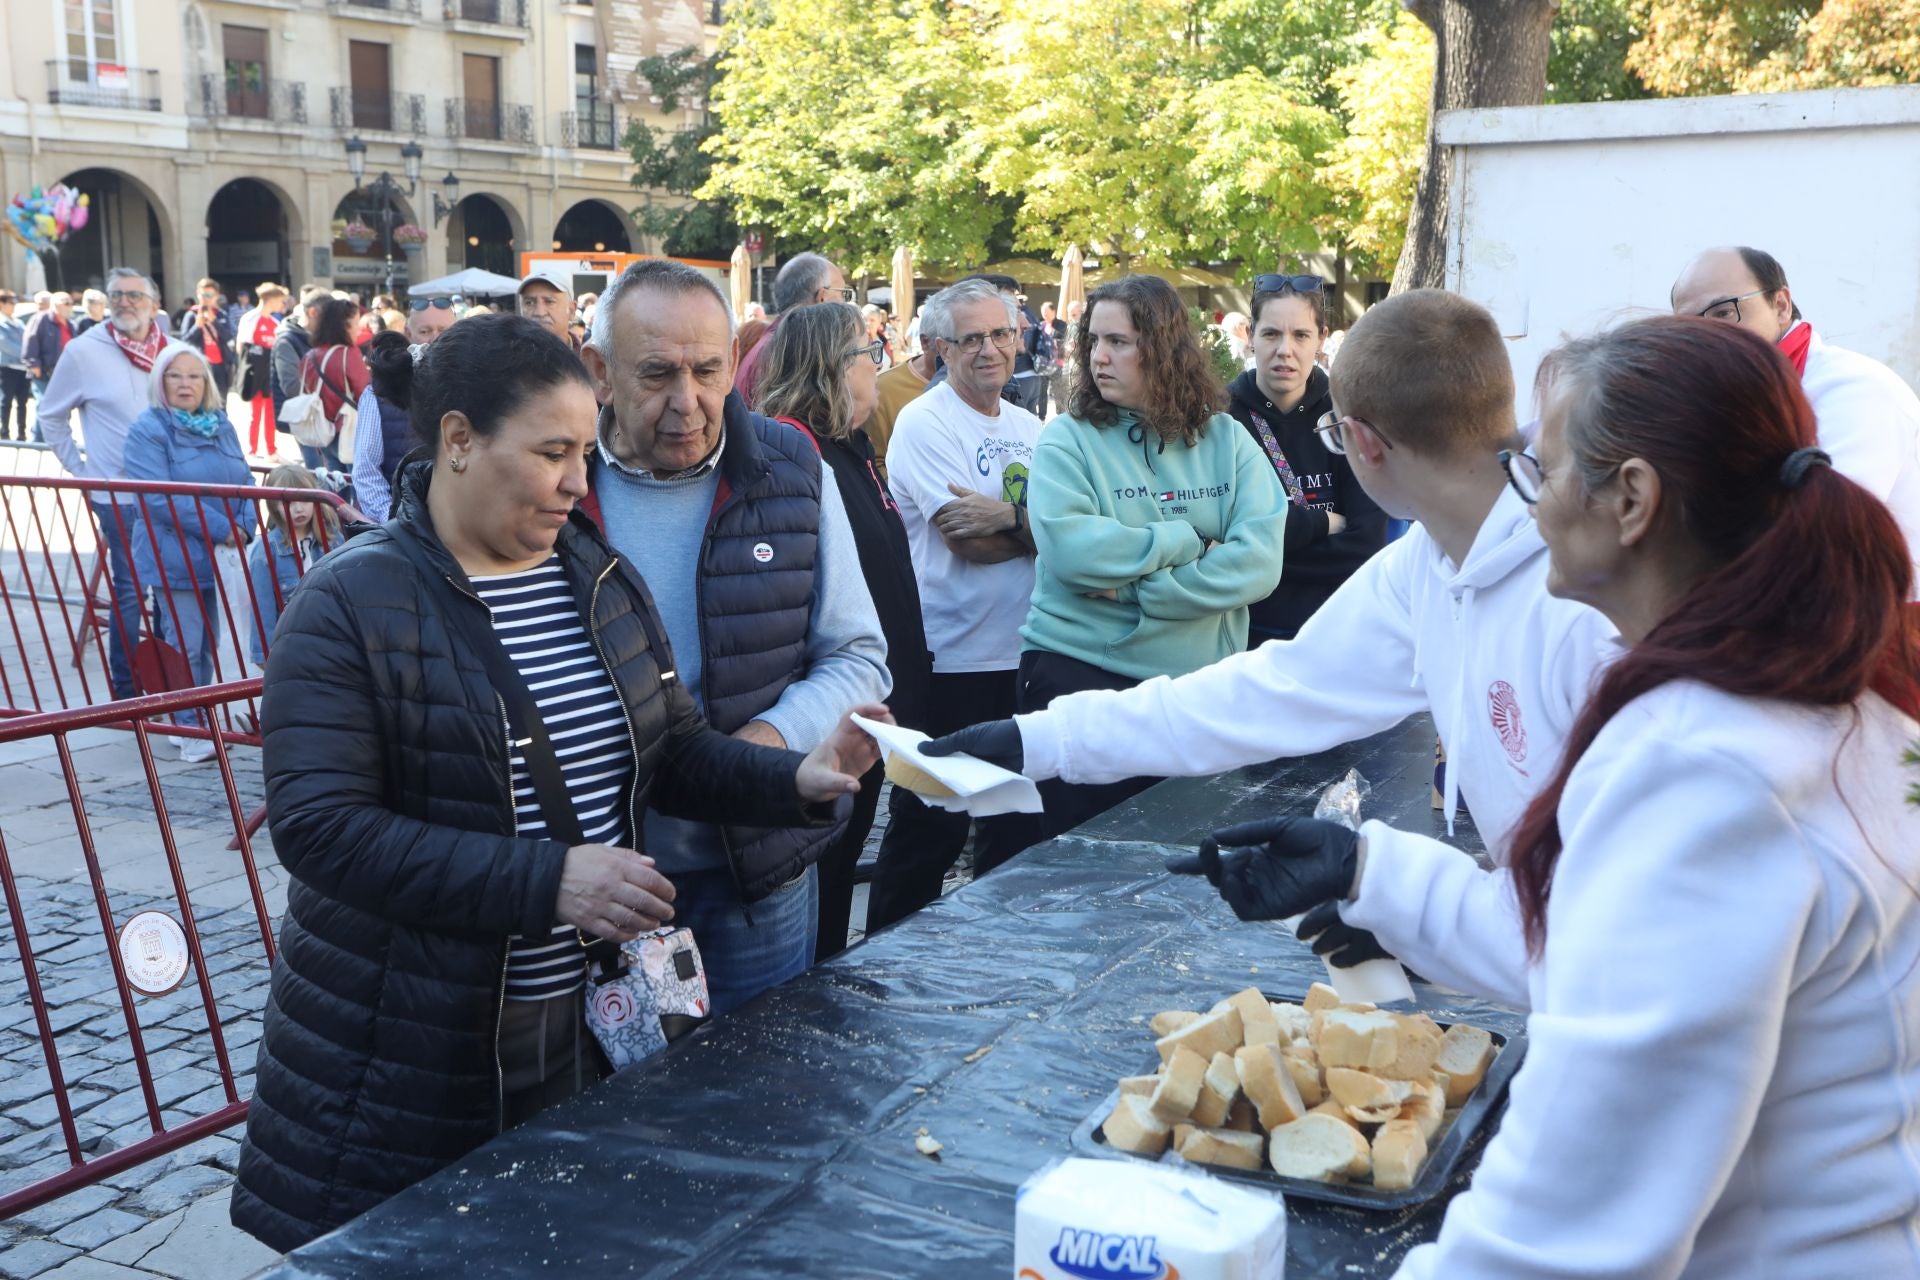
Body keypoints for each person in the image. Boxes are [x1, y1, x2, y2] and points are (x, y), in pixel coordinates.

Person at [1177, 315, 1920, 1277]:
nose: (1527, 501)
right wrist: (1373, 872)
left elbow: (1562, 1237)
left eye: (1543, 467)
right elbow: (1601, 949)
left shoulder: (1704, 773)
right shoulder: (1800, 698)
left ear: (1633, 501)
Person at [230, 311, 886, 1253]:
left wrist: (799, 778)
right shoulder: (348, 602)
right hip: (420, 1047)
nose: (581, 482)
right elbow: (322, 831)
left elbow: (675, 750)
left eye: (585, 450)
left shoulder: (591, 570)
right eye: (552, 453)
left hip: (587, 1025)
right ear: (458, 440)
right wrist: (551, 882)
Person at [927, 291, 1618, 978]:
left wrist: (1395, 893)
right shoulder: (1424, 565)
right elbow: (1276, 688)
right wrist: (1040, 738)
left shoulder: (1583, 608)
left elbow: (1617, 926)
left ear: (1362, 445)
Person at [578, 259, 890, 1012]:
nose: (687, 402)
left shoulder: (789, 465)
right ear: (600, 372)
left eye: (709, 371)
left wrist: (766, 746)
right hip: (599, 884)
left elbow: (858, 655)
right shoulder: (555, 471)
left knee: (764, 1093)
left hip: (756, 863)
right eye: (656, 374)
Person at [997, 273, 1287, 853]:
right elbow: (1075, 555)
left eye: (1119, 342)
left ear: (1163, 348)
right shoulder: (1065, 441)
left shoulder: (1227, 438)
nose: (1099, 357)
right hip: (1084, 682)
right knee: (1082, 877)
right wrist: (1185, 539)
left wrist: (1137, 593)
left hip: (1198, 694)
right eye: (1094, 341)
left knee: (1187, 871)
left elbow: (1258, 564)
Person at [757, 301, 934, 961]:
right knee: (820, 883)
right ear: (835, 366)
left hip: (875, 709)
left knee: (838, 877)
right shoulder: (793, 453)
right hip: (831, 716)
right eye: (869, 354)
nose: (878, 367)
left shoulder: (851, 449)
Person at [866, 278, 1042, 930]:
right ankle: (879, 967)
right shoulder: (924, 421)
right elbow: (970, 543)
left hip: (1023, 653)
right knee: (927, 832)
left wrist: (1011, 520)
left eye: (1001, 334)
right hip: (949, 661)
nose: (990, 349)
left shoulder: (1032, 427)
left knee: (1009, 828)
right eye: (972, 339)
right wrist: (1041, 528)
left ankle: (990, 963)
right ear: (942, 349)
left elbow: (1061, 531)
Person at [1671, 245, 1920, 584]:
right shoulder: (1737, 400)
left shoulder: (1852, 389)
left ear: (1781, 305)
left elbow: (1824, 539)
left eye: (1724, 312)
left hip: (1883, 619)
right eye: (1690, 326)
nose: (1709, 337)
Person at [38, 269, 187, 701]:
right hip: (117, 496)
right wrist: (81, 470)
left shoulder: (173, 352)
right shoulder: (84, 350)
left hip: (173, 493)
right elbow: (50, 415)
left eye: (135, 296)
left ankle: (166, 685)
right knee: (130, 590)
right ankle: (129, 690)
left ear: (154, 303)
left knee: (169, 588)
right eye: (117, 295)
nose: (125, 302)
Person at [1226, 274, 1388, 641]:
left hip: (1336, 630)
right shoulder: (1220, 419)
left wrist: (1261, 553)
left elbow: (1366, 545)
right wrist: (1322, 525)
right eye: (1271, 334)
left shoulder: (1351, 416)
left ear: (1320, 338)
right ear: (1250, 337)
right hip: (1245, 633)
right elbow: (1221, 541)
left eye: (1300, 335)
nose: (1285, 350)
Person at [123, 345, 253, 759]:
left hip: (224, 555)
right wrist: (223, 528)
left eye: (194, 376)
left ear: (207, 383)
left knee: (217, 642)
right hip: (175, 554)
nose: (185, 384)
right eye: (175, 376)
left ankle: (198, 715)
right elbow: (157, 498)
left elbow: (246, 480)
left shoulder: (223, 424)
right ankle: (189, 726)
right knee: (187, 642)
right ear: (160, 383)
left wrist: (246, 525)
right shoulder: (149, 429)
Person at [353, 302, 455, 522]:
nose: (434, 339)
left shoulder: (471, 387)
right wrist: (393, 519)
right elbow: (366, 471)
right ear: (408, 334)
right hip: (405, 531)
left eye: (443, 331)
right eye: (425, 331)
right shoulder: (378, 394)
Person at [247, 462, 339, 669]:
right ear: (274, 506)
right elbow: (262, 620)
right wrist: (273, 663)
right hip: (295, 655)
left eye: (305, 498)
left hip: (337, 647)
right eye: (288, 501)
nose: (299, 507)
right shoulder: (265, 553)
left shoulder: (332, 539)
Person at [734, 252, 851, 407]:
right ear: (823, 297)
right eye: (844, 294)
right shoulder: (791, 354)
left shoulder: (776, 343)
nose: (846, 304)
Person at [294, 297, 369, 475]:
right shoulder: (348, 354)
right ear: (343, 326)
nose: (358, 329)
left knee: (335, 487)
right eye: (355, 323)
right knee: (357, 486)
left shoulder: (310, 356)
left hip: (321, 432)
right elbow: (364, 394)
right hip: (348, 431)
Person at [235, 283, 287, 456]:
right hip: (254, 373)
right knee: (255, 413)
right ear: (269, 300)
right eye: (280, 300)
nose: (282, 304)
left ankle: (272, 450)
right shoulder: (249, 319)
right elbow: (241, 348)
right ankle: (252, 450)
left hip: (270, 374)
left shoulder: (275, 322)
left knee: (271, 413)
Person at [269, 284, 326, 431]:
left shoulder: (320, 338)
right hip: (303, 420)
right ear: (313, 313)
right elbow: (292, 387)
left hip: (320, 419)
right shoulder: (286, 341)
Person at [23, 291, 75, 436]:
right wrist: (33, 364)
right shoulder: (41, 319)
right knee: (44, 406)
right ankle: (39, 439)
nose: (70, 306)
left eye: (71, 303)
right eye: (67, 303)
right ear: (56, 304)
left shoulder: (69, 324)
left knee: (64, 407)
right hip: (45, 372)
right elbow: (30, 341)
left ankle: (60, 438)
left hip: (64, 373)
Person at [178, 278, 236, 400]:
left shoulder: (221, 314)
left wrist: (214, 322)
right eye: (202, 295)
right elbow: (184, 342)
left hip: (220, 365)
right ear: (198, 294)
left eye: (209, 295)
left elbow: (229, 338)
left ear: (216, 296)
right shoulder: (191, 315)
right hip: (199, 365)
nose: (206, 298)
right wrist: (197, 326)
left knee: (221, 402)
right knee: (200, 401)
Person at [518, 267, 576, 346]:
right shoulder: (504, 356)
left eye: (549, 302)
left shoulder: (589, 357)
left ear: (571, 310)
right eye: (529, 303)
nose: (539, 312)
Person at [0, 290, 27, 442]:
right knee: (6, 401)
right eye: (11, 302)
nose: (14, 305)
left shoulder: (18, 323)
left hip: (23, 368)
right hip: (7, 367)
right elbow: (5, 344)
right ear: (2, 304)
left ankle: (21, 432)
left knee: (22, 402)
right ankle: (4, 431)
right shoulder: (1, 323)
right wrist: (26, 354)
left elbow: (28, 340)